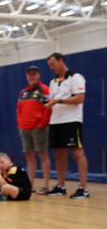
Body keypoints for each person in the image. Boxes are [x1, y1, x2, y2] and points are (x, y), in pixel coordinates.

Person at [45, 53, 89, 199]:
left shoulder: (75, 77)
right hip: (55, 121)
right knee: (59, 155)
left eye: (53, 64)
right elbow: (55, 101)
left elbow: (80, 98)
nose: (51, 68)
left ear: (61, 61)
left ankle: (84, 188)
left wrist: (58, 101)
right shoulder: (52, 82)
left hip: (71, 120)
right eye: (49, 66)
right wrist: (49, 103)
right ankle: (60, 186)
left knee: (77, 153)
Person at [16, 65, 51, 195]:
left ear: (38, 75)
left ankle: (46, 185)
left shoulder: (45, 89)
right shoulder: (23, 92)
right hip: (24, 129)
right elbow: (18, 110)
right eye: (29, 74)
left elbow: (48, 107)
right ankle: (30, 185)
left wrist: (42, 124)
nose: (31, 76)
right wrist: (20, 125)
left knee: (43, 155)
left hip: (39, 128)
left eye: (34, 74)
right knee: (29, 156)